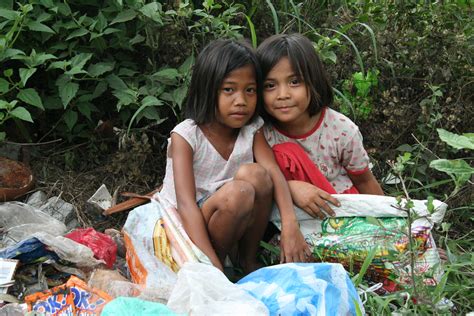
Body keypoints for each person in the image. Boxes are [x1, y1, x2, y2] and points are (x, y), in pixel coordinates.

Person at [159, 39, 310, 274]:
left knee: (256, 175)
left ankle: (246, 262)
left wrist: (290, 224)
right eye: (229, 90)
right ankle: (219, 267)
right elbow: (186, 205)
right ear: (208, 89)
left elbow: (272, 172)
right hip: (187, 222)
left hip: (233, 217)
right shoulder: (186, 135)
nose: (241, 101)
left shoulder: (251, 129)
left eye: (249, 90)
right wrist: (212, 268)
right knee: (238, 194)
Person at [257, 33, 384, 220]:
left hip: (341, 214)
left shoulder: (341, 130)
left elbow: (365, 181)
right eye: (270, 85)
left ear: (313, 80)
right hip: (288, 222)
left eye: (294, 82)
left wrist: (395, 223)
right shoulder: (260, 134)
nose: (282, 94)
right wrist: (290, 187)